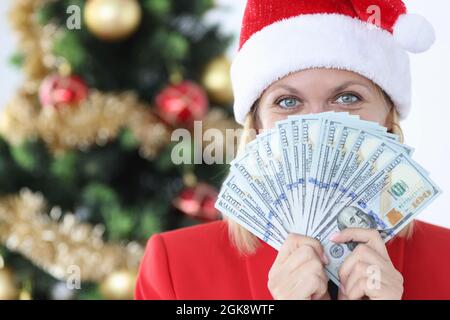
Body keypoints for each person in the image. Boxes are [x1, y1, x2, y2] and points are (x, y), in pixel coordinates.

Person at [135, 0, 450, 300]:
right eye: (288, 102)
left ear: (388, 119)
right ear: (256, 128)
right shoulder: (175, 267)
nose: (317, 125)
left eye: (348, 98)